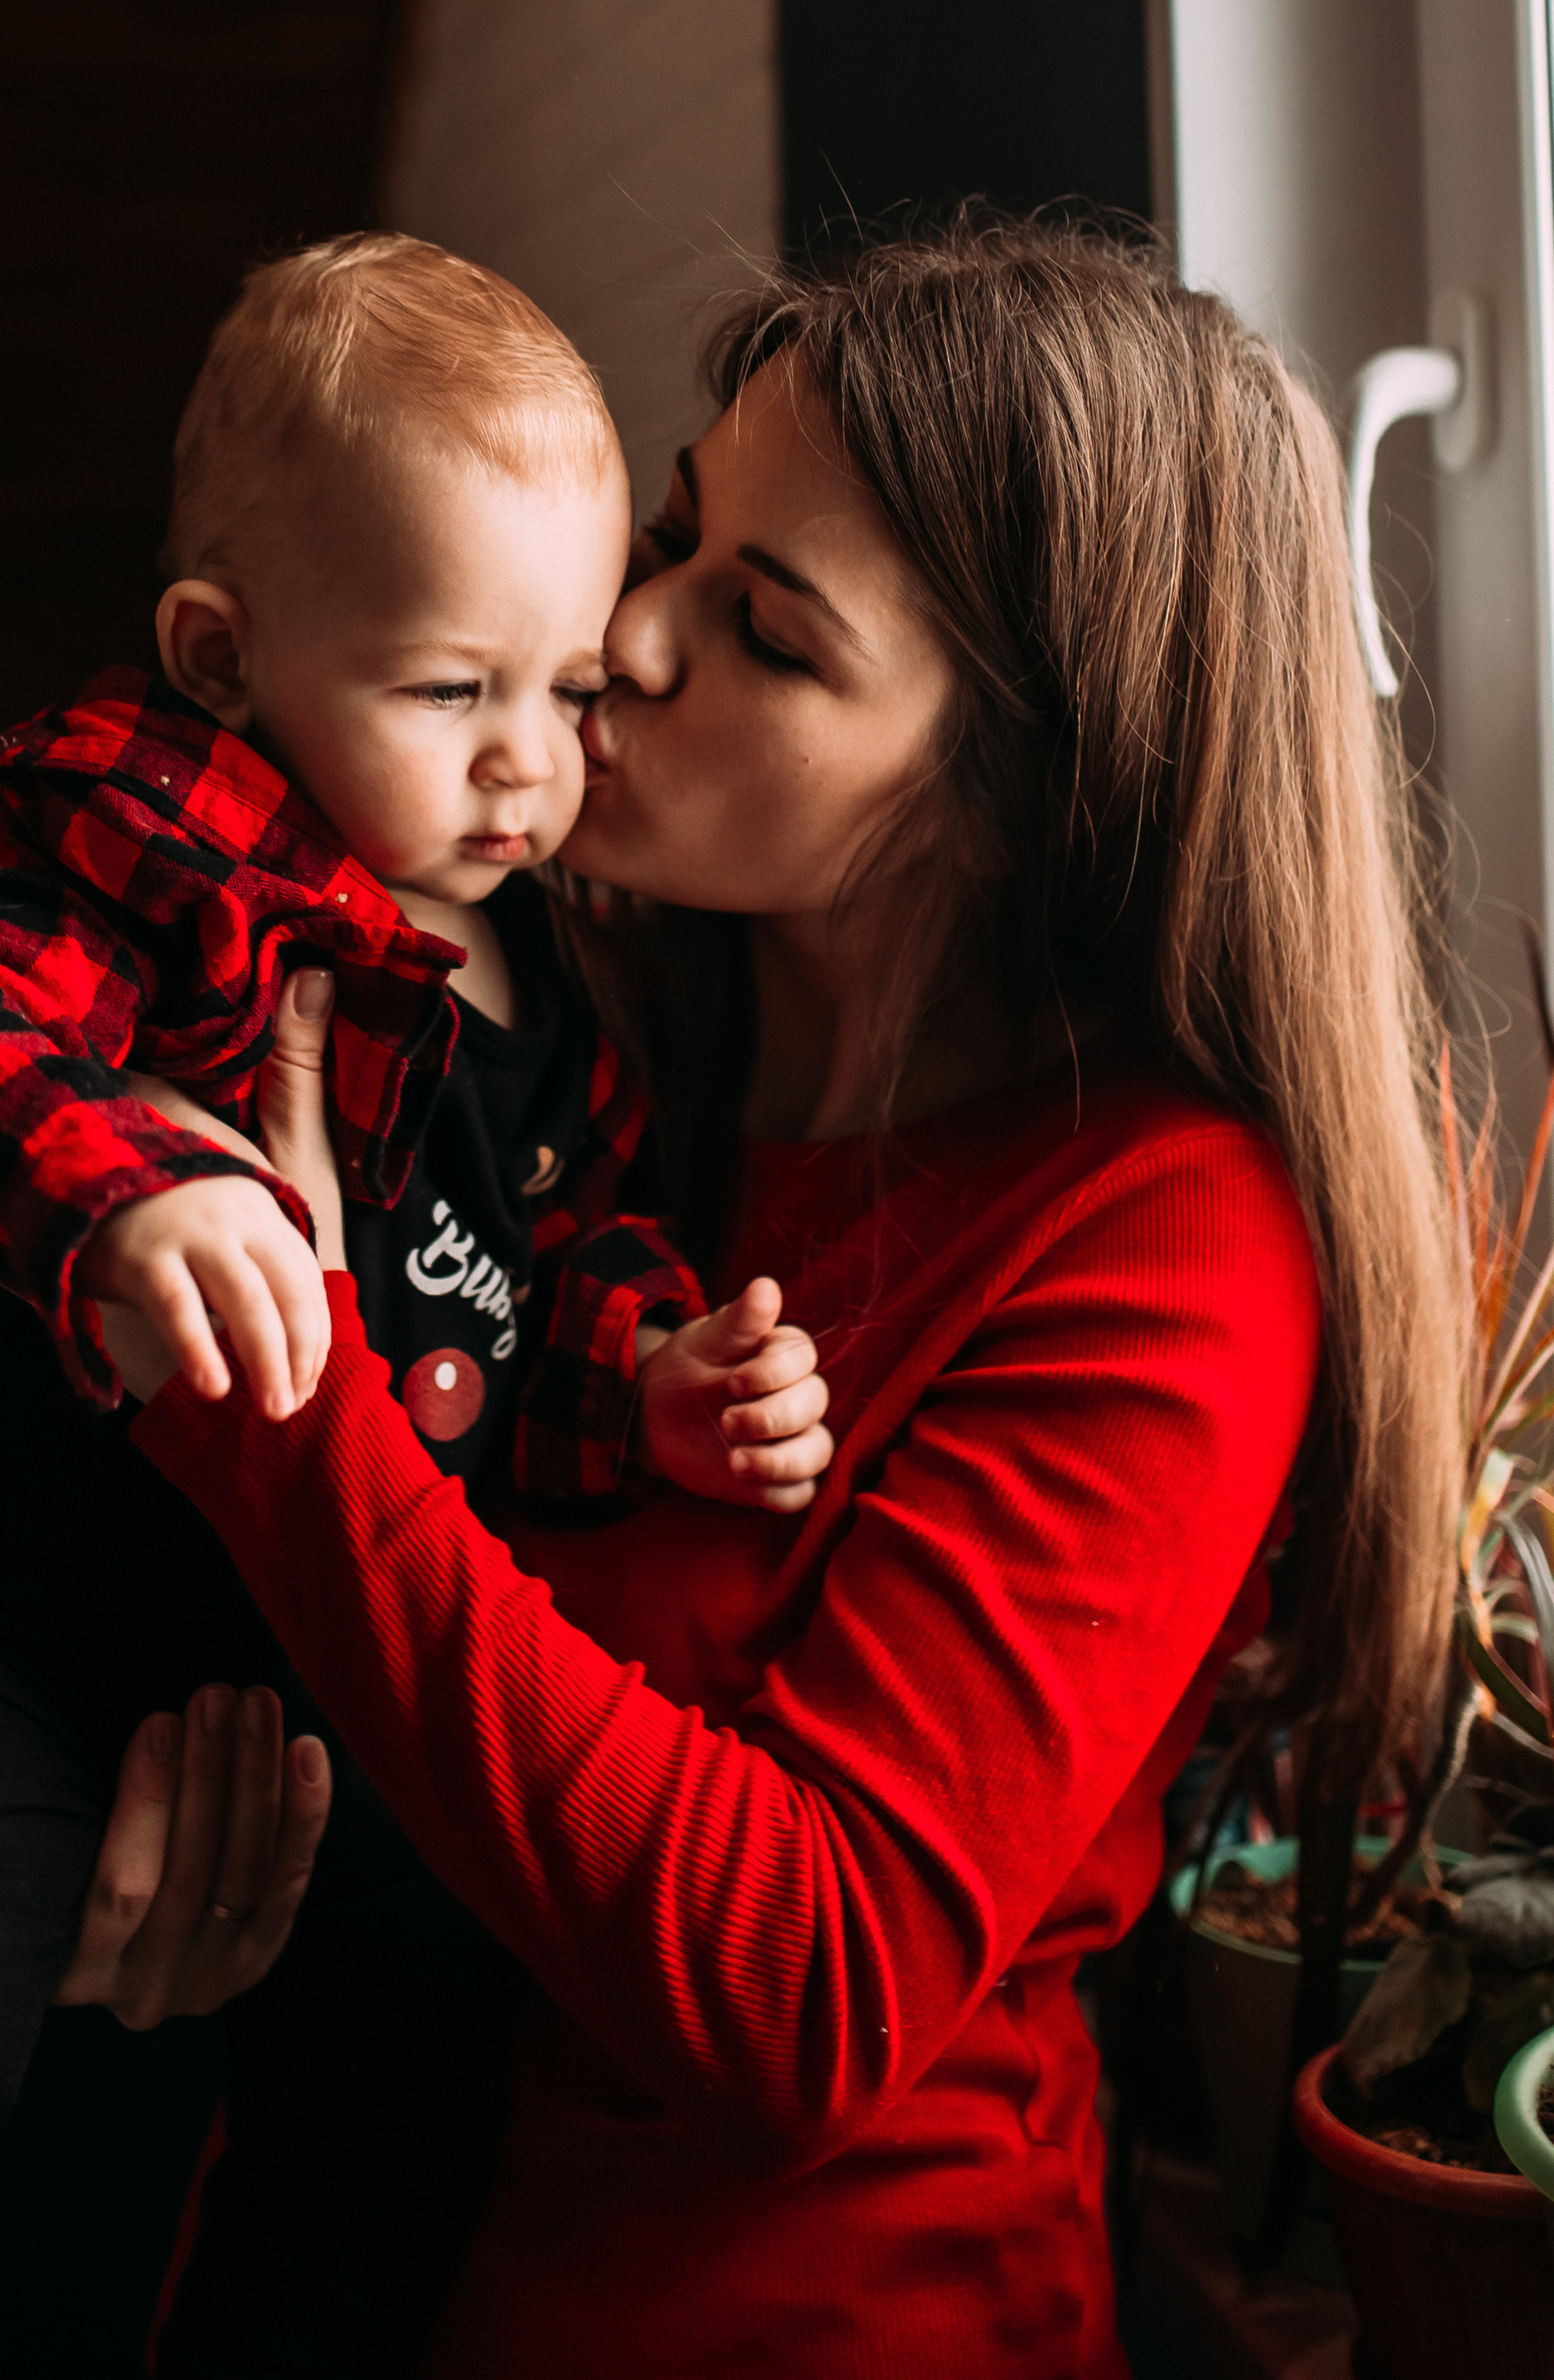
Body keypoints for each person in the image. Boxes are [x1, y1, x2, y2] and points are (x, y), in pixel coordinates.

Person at [90, 218, 1466, 2378]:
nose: (618, 638)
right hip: (324, 2261)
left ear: (1011, 797)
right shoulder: (552, 1034)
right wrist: (130, 1832)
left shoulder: (1167, 1238)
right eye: (670, 536)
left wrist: (282, 1389)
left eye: (763, 630)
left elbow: (796, 1992)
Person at [0, 232, 829, 2376]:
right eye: (447, 692)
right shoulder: (162, 831)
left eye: (565, 689)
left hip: (357, 1678)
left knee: (401, 2118)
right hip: (35, 1615)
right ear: (222, 654)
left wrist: (651, 1381)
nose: (526, 767)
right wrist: (121, 1193)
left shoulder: (567, 972)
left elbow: (530, 1294)